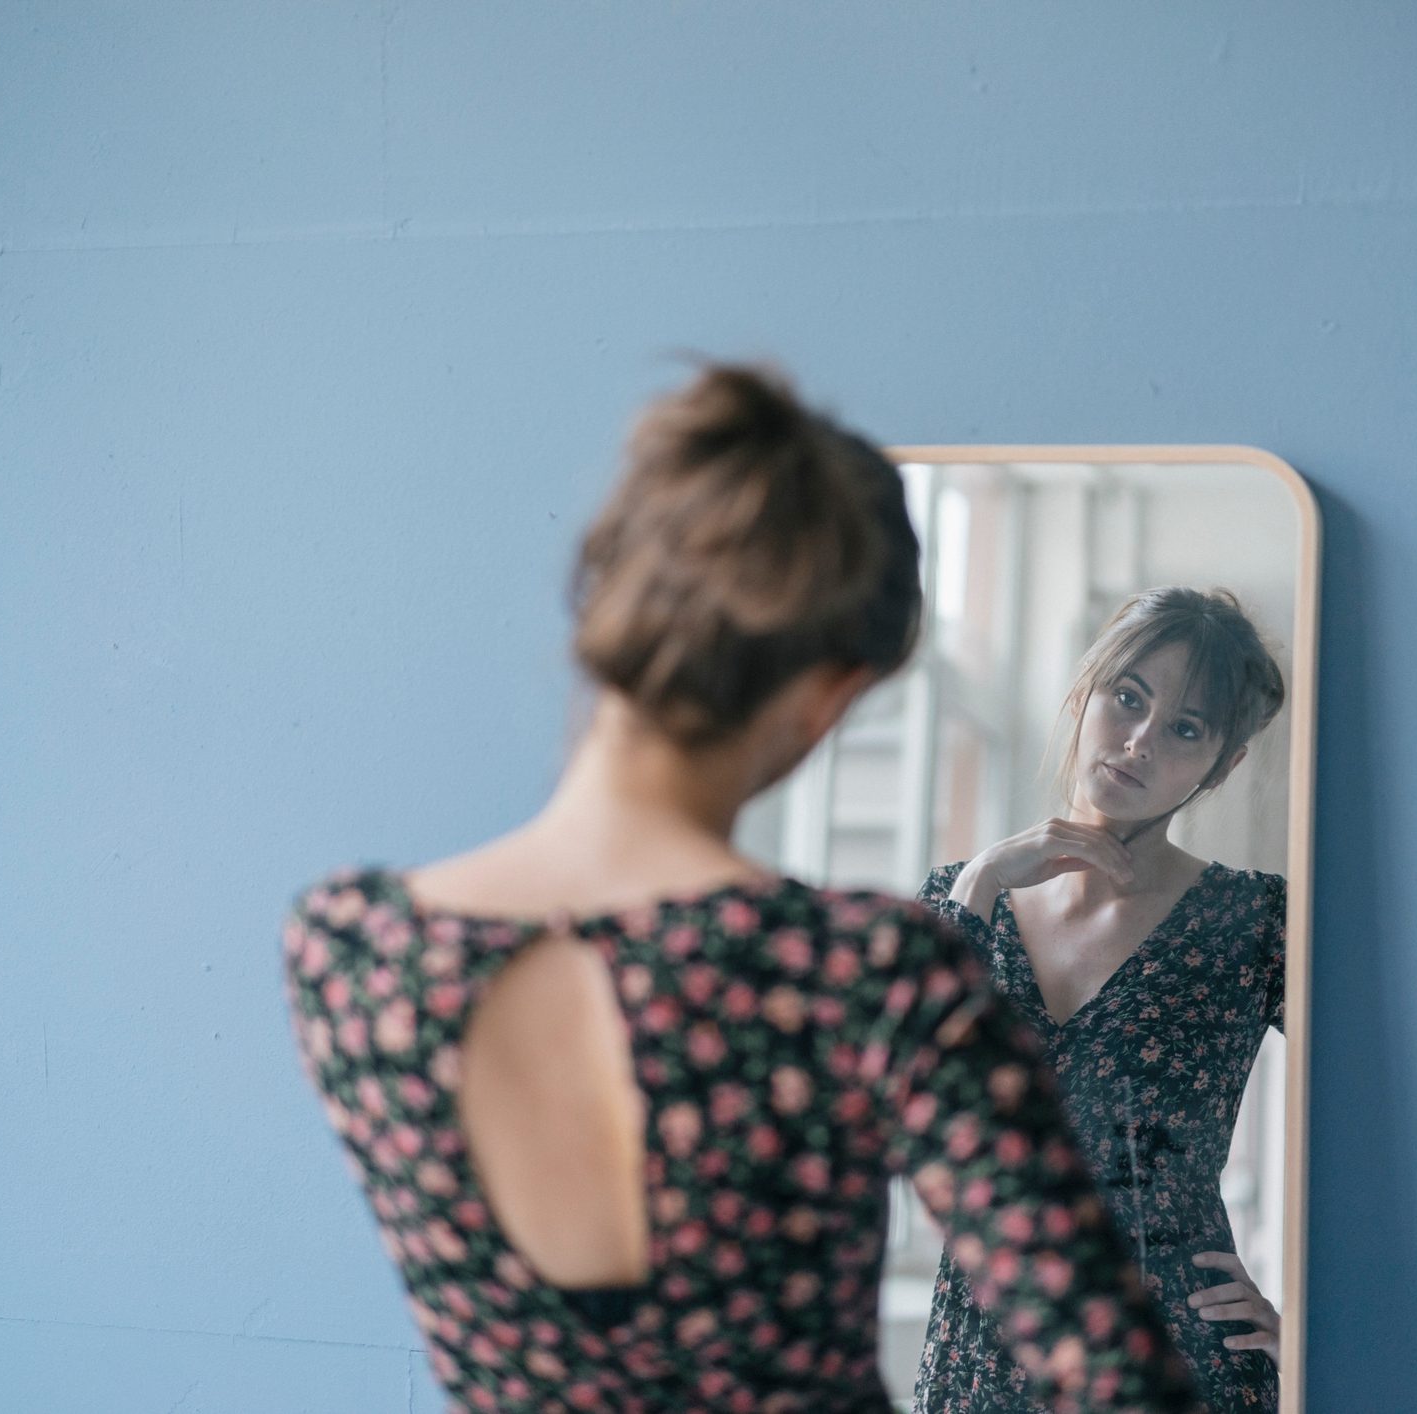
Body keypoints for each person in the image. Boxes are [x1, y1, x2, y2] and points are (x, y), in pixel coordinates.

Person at [282, 364, 1202, 1413]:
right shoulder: (866, 973)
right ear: (827, 694)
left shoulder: (350, 949)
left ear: (601, 591)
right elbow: (1124, 1386)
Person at [914, 588, 1289, 1414]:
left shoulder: (1256, 921)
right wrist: (979, 886)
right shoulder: (959, 900)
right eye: (1128, 697)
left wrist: (1312, 1317)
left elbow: (1393, 1122)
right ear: (1082, 693)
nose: (1139, 741)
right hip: (980, 1357)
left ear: (1221, 765)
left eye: (1185, 728)